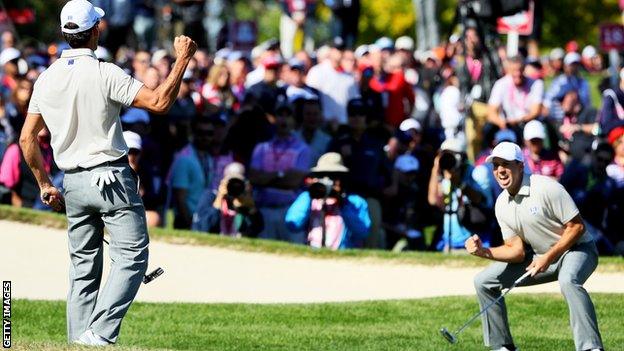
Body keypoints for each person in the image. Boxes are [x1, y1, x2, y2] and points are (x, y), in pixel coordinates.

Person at [19, 0, 197, 345]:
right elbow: (160, 102)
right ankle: (98, 334)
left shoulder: (45, 79)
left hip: (71, 181)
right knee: (132, 255)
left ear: (64, 33)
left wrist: (44, 183)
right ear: (95, 31)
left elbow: (27, 138)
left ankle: (78, 340)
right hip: (111, 178)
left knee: (83, 267)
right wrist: (183, 60)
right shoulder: (105, 72)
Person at [466, 141, 604, 351]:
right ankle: (502, 346)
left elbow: (577, 227)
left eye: (506, 164)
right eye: (496, 165)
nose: (500, 170)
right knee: (483, 281)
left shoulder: (546, 187)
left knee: (568, 280)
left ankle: (590, 348)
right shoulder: (502, 203)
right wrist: (483, 251)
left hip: (578, 250)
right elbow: (516, 250)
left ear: (520, 166)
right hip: (541, 258)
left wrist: (548, 257)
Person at [249, 101, 311, 243]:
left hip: (290, 211)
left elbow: (294, 181)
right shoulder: (261, 148)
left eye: (288, 115)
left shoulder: (302, 149)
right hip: (263, 210)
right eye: (280, 115)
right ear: (274, 119)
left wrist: (267, 178)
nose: (284, 119)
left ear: (294, 121)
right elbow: (254, 178)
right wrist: (281, 174)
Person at [285, 152, 370, 249]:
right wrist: (311, 194)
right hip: (312, 255)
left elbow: (362, 232)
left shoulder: (355, 202)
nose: (327, 180)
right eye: (322, 175)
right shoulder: (307, 198)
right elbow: (293, 224)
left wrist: (343, 204)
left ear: (342, 178)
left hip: (341, 257)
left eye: (333, 176)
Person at [192, 162, 263, 237]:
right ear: (223, 181)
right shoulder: (210, 196)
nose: (235, 186)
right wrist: (220, 198)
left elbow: (257, 228)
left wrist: (250, 207)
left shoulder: (245, 200)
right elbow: (205, 227)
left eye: (239, 182)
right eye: (231, 181)